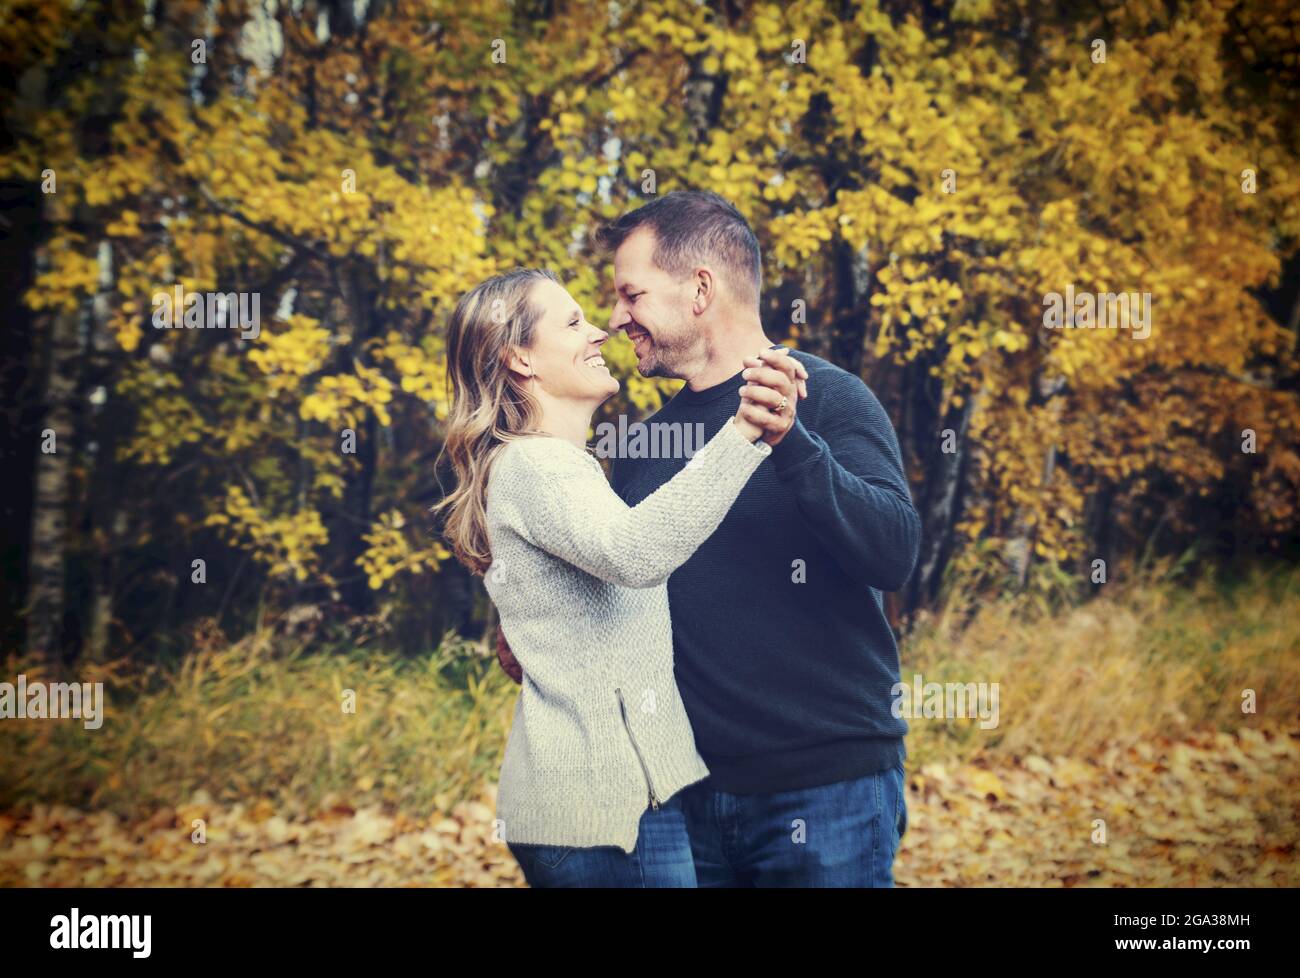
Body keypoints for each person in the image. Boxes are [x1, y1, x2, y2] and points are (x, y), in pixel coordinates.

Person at [499, 191, 922, 886]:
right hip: (676, 801)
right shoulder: (641, 445)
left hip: (824, 791)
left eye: (631, 294)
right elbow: (622, 586)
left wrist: (795, 444)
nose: (615, 318)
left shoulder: (825, 395)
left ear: (700, 289)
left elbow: (894, 552)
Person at [434, 266, 807, 887]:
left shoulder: (557, 467)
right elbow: (637, 553)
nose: (602, 332)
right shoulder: (536, 465)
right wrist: (744, 431)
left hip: (614, 808)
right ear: (519, 358)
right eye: (574, 322)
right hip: (601, 814)